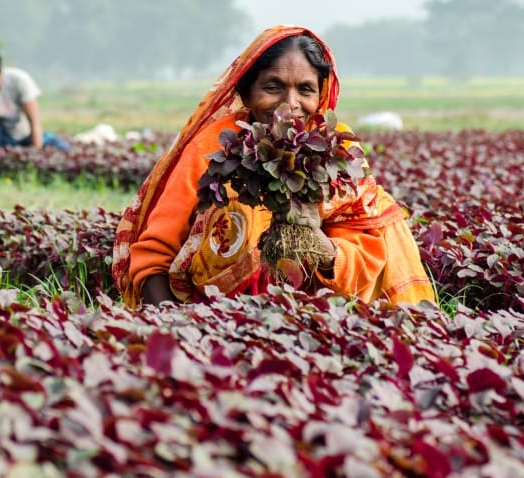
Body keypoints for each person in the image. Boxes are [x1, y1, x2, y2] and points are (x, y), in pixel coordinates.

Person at [112, 25, 436, 309]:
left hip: (321, 322)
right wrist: (179, 327)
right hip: (217, 318)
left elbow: (364, 254)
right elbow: (154, 254)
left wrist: (320, 247)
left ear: (320, 94)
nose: (289, 104)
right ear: (246, 92)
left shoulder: (338, 153)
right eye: (273, 87)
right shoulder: (212, 149)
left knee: (386, 222)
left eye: (305, 89)